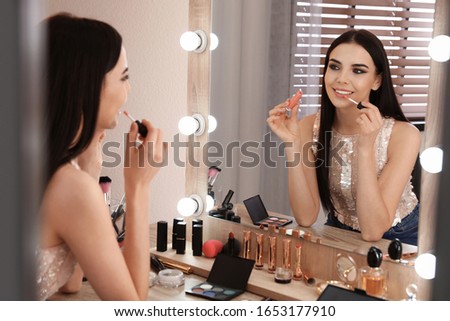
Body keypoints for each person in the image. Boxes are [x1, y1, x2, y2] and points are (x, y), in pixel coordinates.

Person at [37, 13, 164, 300]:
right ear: (87, 87)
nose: (129, 89)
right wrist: (138, 187)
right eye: (124, 78)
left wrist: (87, 173)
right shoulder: (70, 187)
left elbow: (68, 282)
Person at [267, 29, 420, 246]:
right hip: (339, 230)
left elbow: (372, 231)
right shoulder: (310, 126)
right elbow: (305, 216)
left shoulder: (404, 135)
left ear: (376, 81)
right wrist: (292, 143)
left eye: (357, 71)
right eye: (334, 67)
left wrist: (365, 148)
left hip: (400, 238)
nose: (341, 79)